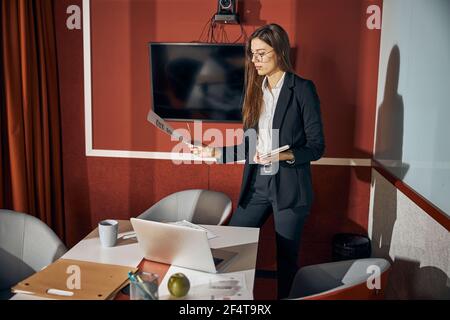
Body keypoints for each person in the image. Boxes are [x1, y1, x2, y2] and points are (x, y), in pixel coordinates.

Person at [191, 24, 325, 299]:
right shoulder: (254, 91)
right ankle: (229, 300)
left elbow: (317, 147)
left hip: (290, 186)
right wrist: (215, 153)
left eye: (262, 53)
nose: (256, 60)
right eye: (253, 54)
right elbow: (249, 146)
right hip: (257, 185)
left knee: (286, 260)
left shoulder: (302, 89)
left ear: (280, 52)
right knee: (229, 248)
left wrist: (284, 155)